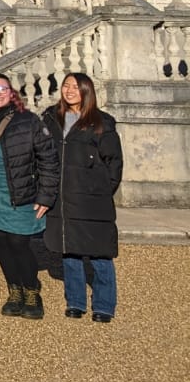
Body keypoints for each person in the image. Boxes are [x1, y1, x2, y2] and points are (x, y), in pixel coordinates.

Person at [0, 72, 58, 319]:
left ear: (12, 92)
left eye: (2, 88)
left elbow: (49, 160)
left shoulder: (28, 120)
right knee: (1, 244)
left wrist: (46, 196)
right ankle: (14, 290)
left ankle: (31, 290)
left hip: (21, 194)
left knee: (19, 244)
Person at [43, 72, 123, 322]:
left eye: (75, 87)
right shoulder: (51, 117)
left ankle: (104, 305)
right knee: (70, 252)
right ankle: (75, 301)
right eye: (66, 86)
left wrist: (98, 189)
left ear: (86, 91)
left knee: (100, 254)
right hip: (63, 197)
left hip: (92, 198)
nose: (69, 91)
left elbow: (114, 163)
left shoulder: (102, 122)